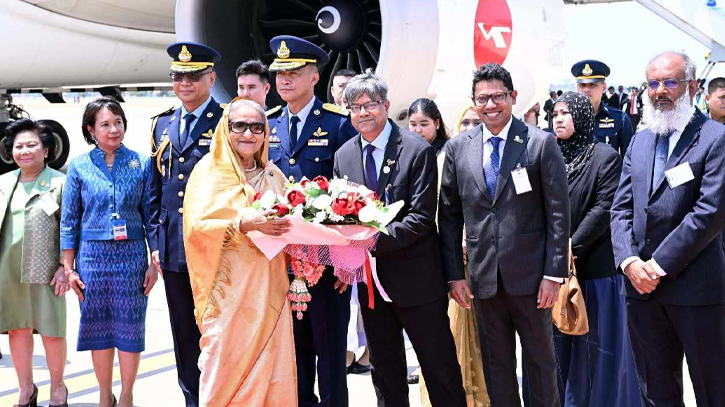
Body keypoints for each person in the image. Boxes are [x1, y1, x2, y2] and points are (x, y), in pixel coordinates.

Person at [438, 63, 570, 407]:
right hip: (483, 279)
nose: (490, 104)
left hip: (532, 279)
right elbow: (449, 217)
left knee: (540, 363)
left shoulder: (539, 143)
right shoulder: (457, 149)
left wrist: (553, 275)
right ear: (473, 101)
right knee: (497, 365)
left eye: (498, 96)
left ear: (512, 97)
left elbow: (558, 214)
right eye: (482, 98)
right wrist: (454, 275)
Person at [333, 70, 467, 407]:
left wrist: (370, 240)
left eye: (370, 105)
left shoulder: (415, 150)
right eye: (355, 106)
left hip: (418, 284)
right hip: (371, 288)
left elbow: (421, 218)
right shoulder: (344, 155)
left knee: (440, 372)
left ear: (386, 105)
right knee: (386, 375)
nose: (363, 113)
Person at [611, 51, 725, 407]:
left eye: (670, 82)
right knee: (655, 392)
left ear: (692, 86)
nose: (660, 91)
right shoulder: (640, 140)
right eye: (653, 83)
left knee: (713, 389)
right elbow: (620, 209)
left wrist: (656, 267)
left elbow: (709, 211)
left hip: (696, 290)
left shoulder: (715, 137)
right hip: (642, 293)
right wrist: (629, 261)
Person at [183, 98, 297, 407]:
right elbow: (196, 227)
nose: (248, 134)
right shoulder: (209, 172)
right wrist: (243, 223)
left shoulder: (273, 175)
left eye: (257, 127)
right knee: (223, 364)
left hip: (270, 288)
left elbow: (294, 222)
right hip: (227, 294)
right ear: (226, 128)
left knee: (271, 363)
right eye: (240, 126)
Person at [265, 35, 357, 407]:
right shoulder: (267, 124)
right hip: (280, 260)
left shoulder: (337, 124)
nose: (284, 79)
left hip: (326, 263)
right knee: (292, 352)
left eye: (294, 71)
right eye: (280, 73)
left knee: (331, 353)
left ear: (315, 76)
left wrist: (349, 260)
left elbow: (354, 194)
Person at [61, 97, 157, 407]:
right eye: (105, 124)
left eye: (118, 122)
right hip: (91, 259)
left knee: (130, 327)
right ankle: (105, 395)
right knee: (97, 328)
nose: (113, 129)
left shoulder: (142, 163)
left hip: (131, 258)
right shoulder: (78, 166)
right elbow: (69, 219)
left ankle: (127, 395)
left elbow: (151, 217)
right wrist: (69, 267)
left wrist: (153, 262)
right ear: (91, 129)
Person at [549, 92, 641, 407]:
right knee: (558, 350)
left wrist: (571, 247)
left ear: (583, 117)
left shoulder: (604, 156)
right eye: (554, 113)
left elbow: (604, 208)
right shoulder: (547, 154)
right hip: (553, 271)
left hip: (594, 271)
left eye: (565, 113)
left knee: (597, 349)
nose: (558, 119)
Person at [148, 41, 224, 407]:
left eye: (193, 76)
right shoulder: (162, 123)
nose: (185, 83)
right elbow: (154, 189)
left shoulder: (228, 122)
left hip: (215, 246)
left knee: (218, 329)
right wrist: (155, 244)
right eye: (178, 77)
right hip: (173, 247)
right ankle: (193, 399)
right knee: (183, 330)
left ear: (211, 78)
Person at [0, 118, 69, 407]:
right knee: (17, 328)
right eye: (18, 146)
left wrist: (66, 267)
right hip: (8, 268)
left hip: (46, 269)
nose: (24, 151)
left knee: (51, 330)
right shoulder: (4, 182)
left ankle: (57, 389)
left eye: (32, 145)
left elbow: (69, 228)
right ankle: (25, 389)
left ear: (46, 149)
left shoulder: (60, 182)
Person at [572, 60, 634, 156]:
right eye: (582, 85)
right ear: (577, 88)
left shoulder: (620, 119)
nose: (586, 89)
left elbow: (629, 161)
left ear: (604, 87)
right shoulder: (569, 119)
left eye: (593, 85)